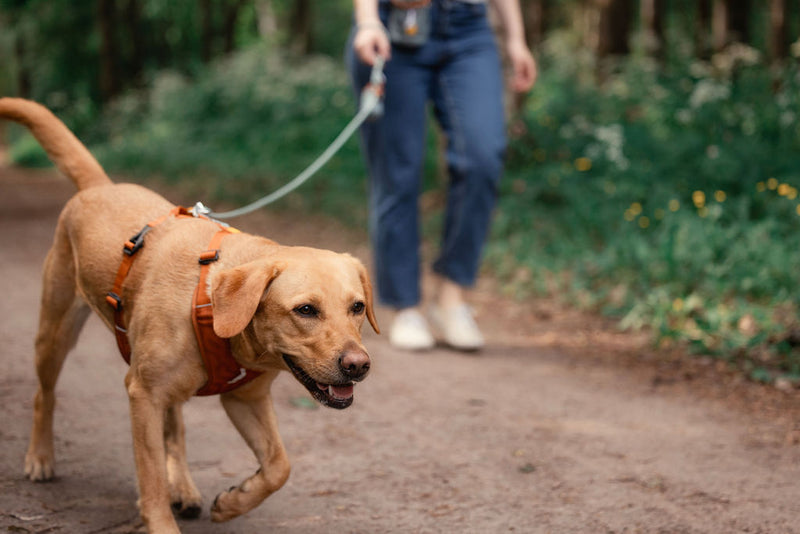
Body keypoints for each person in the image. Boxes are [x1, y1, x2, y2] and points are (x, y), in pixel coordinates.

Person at [347, 0, 536, 351]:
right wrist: (368, 20)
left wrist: (516, 38)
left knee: (483, 157)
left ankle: (451, 297)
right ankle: (405, 306)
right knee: (397, 173)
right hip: (394, 27)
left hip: (470, 29)